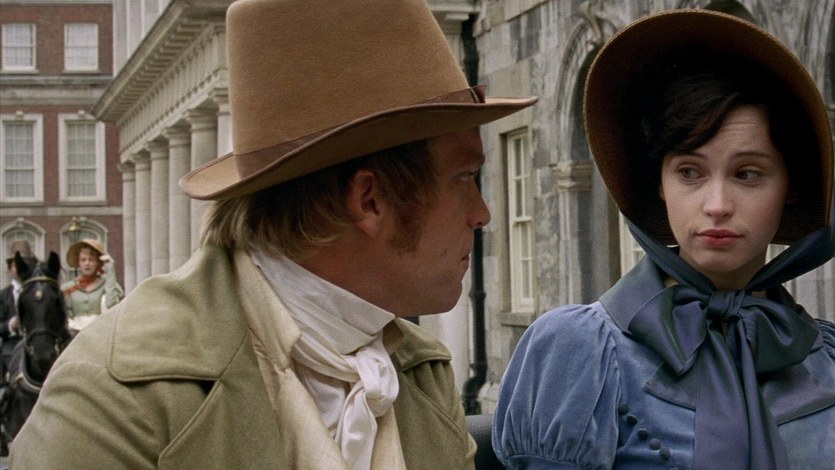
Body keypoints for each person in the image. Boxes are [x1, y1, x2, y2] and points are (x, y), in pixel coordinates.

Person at [10, 0, 536, 468]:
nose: (483, 213)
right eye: (464, 178)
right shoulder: (119, 397)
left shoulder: (421, 372)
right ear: (370, 200)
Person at [493, 9, 834, 470]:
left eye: (747, 174)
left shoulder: (825, 358)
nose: (717, 204)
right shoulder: (577, 353)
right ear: (660, 183)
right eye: (690, 172)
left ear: (789, 187)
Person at [60, 238, 125, 331]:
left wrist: (110, 271)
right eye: (83, 260)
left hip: (102, 332)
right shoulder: (68, 288)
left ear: (98, 263)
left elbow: (112, 306)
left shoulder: (108, 285)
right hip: (75, 335)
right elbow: (64, 317)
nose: (87, 263)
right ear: (78, 263)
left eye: (91, 260)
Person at [0, 241, 37, 381]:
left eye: (24, 264)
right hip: (11, 346)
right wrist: (10, 325)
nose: (21, 269)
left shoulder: (38, 292)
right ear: (10, 269)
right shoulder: (3, 296)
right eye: (17, 265)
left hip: (35, 344)